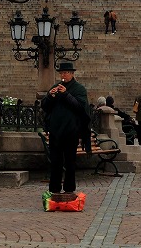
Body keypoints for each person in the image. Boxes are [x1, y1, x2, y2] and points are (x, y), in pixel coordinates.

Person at [41, 61, 89, 195]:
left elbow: (80, 107)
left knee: (70, 162)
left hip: (71, 131)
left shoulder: (79, 89)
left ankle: (69, 188)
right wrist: (50, 96)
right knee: (55, 162)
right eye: (61, 73)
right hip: (56, 131)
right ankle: (54, 188)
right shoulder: (56, 86)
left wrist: (66, 94)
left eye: (65, 73)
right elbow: (45, 106)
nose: (63, 75)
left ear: (72, 74)